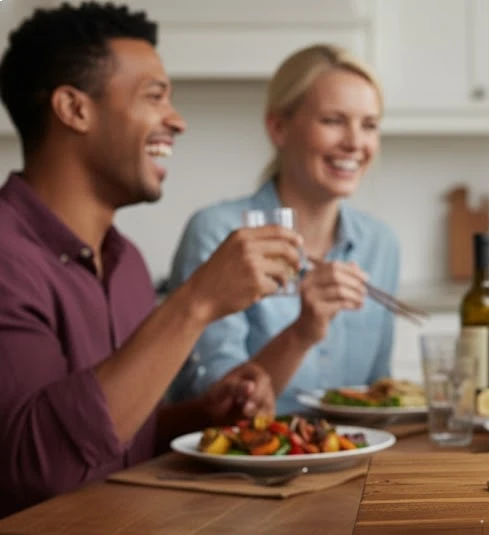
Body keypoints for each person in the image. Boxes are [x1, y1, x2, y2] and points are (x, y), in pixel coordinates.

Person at [0, 2, 304, 517]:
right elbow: (37, 467)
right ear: (74, 109)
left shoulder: (127, 264)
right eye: (154, 96)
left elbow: (122, 440)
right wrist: (197, 301)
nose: (176, 120)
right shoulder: (8, 258)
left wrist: (202, 416)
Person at [164, 44, 400, 415]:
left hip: (354, 448)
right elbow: (221, 405)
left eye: (369, 125)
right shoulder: (219, 233)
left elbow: (378, 395)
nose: (355, 142)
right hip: (247, 451)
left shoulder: (381, 244)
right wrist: (302, 333)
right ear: (279, 128)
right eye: (333, 121)